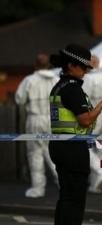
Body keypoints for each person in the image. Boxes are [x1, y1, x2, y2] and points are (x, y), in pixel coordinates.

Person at [49, 44, 102, 225]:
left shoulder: (58, 86)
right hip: (72, 149)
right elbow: (85, 120)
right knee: (75, 200)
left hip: (60, 145)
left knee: (66, 197)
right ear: (71, 65)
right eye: (82, 66)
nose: (86, 70)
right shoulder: (72, 88)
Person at [15, 53, 59, 198]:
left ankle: (38, 189)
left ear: (35, 65)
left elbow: (19, 99)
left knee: (35, 154)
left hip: (35, 119)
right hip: (53, 119)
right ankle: (62, 182)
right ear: (49, 66)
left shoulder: (29, 80)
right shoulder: (57, 80)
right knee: (53, 152)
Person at [82, 55, 102, 194]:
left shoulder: (88, 79)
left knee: (83, 145)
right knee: (100, 147)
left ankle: (100, 171)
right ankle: (95, 182)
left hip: (95, 115)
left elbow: (83, 97)